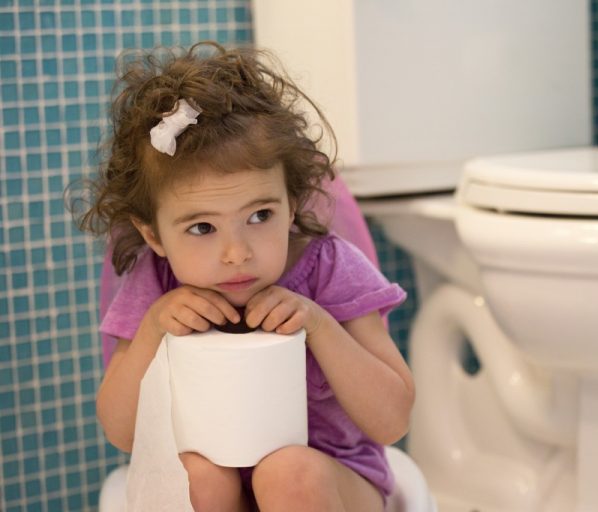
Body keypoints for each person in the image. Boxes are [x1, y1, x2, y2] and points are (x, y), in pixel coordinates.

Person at [76, 42, 415, 512]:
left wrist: (319, 326)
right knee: (194, 479)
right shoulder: (155, 283)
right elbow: (121, 432)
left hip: (332, 482)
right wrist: (153, 328)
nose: (237, 253)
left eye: (259, 215)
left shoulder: (331, 268)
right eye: (202, 228)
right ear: (153, 235)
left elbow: (393, 421)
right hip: (218, 483)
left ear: (291, 204)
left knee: (289, 474)